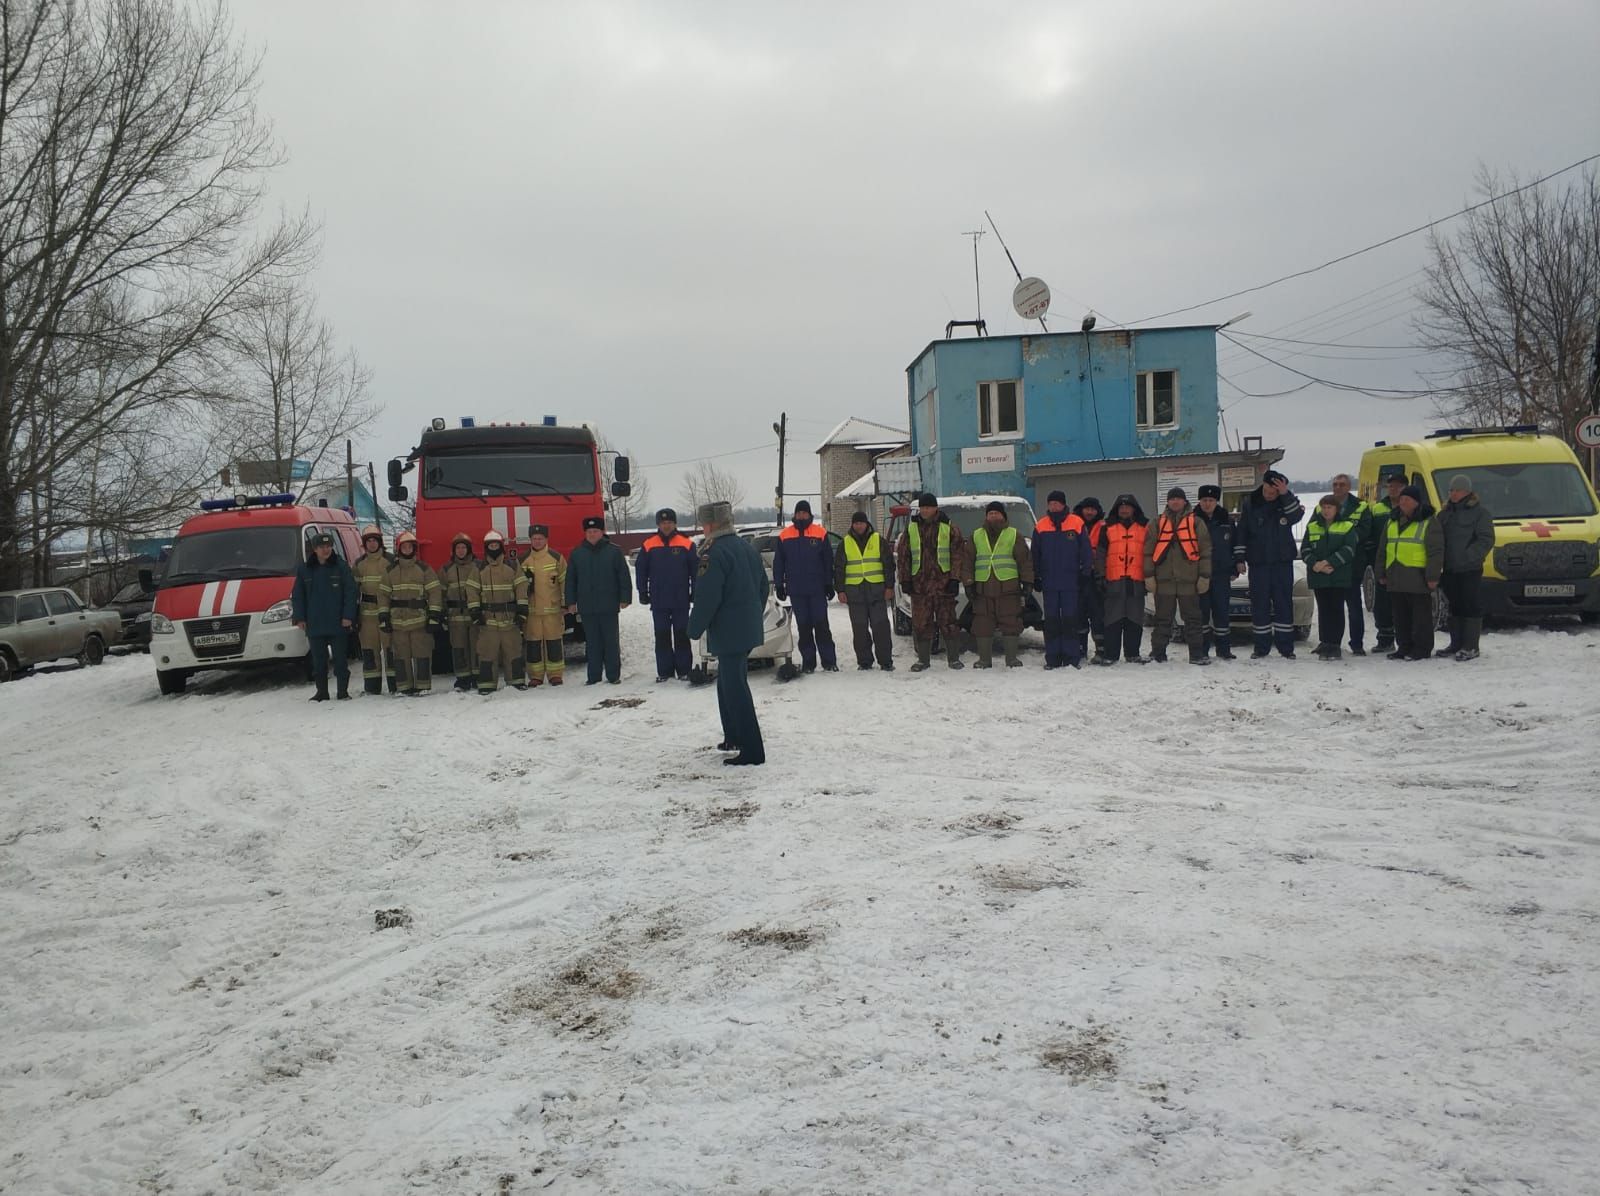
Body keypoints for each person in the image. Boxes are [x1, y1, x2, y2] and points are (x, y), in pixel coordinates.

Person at [688, 500, 768, 766]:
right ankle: (733, 735)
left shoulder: (714, 553)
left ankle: (752, 750)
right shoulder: (746, 548)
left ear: (710, 524)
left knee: (735, 689)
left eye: (703, 522)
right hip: (746, 628)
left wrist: (694, 627)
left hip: (729, 631)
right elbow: (763, 587)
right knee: (727, 683)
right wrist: (752, 614)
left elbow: (707, 596)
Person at [1236, 469, 1304, 659]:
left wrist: (1285, 495)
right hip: (1259, 563)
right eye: (1268, 490)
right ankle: (1261, 647)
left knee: (1283, 604)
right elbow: (1242, 530)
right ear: (1263, 485)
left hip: (1282, 562)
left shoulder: (1286, 501)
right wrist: (1239, 558)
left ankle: (1286, 647)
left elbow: (1296, 517)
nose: (1270, 494)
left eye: (1274, 491)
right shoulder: (1251, 502)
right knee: (1260, 605)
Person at [895, 492, 967, 671]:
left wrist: (954, 579)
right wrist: (905, 579)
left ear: (936, 508)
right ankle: (923, 660)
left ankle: (953, 659)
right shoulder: (911, 529)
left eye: (928, 507)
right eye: (923, 507)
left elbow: (958, 555)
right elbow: (904, 556)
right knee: (921, 623)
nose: (925, 510)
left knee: (948, 622)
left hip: (943, 585)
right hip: (920, 586)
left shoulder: (949, 527)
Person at [1144, 487, 1213, 666]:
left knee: (1193, 619)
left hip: (1189, 580)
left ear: (1184, 502)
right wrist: (1149, 575)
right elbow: (1147, 552)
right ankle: (1158, 653)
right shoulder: (1156, 523)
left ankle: (1196, 654)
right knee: (1162, 619)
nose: (1175, 502)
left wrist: (1204, 576)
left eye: (1178, 499)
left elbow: (1205, 551)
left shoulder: (1196, 523)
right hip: (1164, 580)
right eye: (1172, 499)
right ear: (1167, 502)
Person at [1375, 484, 1443, 661]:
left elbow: (1435, 551)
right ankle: (1404, 646)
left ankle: (1422, 648)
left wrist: (1433, 576)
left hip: (1417, 576)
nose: (1402, 502)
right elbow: (1383, 548)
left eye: (1406, 499)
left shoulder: (1428, 521)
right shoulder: (1392, 520)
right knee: (1400, 616)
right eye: (1401, 499)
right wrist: (1380, 572)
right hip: (1395, 575)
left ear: (1416, 502)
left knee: (1421, 617)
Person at [772, 499, 838, 673]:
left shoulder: (820, 533)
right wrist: (779, 584)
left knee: (822, 625)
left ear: (809, 514)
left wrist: (829, 584)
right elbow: (779, 562)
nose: (801, 515)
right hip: (797, 591)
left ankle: (829, 661)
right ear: (795, 514)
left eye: (804, 512)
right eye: (799, 512)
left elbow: (827, 562)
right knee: (804, 627)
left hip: (817, 590)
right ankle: (809, 662)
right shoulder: (785, 535)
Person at [565, 515, 632, 684]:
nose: (592, 534)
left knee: (610, 642)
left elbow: (623, 577)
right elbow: (571, 580)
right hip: (587, 606)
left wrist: (625, 598)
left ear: (602, 532)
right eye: (589, 531)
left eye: (595, 531)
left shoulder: (614, 552)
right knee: (593, 642)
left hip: (609, 605)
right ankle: (593, 676)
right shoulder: (577, 553)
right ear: (585, 533)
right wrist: (571, 602)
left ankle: (613, 675)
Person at [291, 532, 358, 701]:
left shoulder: (341, 567)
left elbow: (351, 592)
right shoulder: (304, 569)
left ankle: (343, 692)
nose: (326, 550)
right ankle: (322, 692)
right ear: (314, 549)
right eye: (322, 547)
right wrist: (299, 618)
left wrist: (348, 616)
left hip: (338, 623)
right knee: (319, 663)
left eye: (329, 546)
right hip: (315, 624)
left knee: (341, 662)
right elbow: (298, 595)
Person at [966, 500, 1033, 668]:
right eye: (990, 513)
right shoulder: (976, 535)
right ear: (986, 517)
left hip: (1008, 588)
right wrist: (968, 583)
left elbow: (1024, 561)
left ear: (1003, 516)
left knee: (1011, 622)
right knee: (982, 623)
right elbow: (967, 561)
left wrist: (1027, 582)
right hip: (983, 589)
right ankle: (984, 660)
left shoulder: (1013, 534)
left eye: (996, 513)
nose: (993, 516)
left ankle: (1011, 659)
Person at [1437, 473, 1496, 662]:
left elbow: (1486, 540)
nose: (1453, 494)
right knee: (1454, 606)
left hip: (1469, 569)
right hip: (1449, 569)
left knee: (1470, 606)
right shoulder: (1445, 513)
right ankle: (1456, 643)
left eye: (1457, 490)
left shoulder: (1480, 513)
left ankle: (1471, 646)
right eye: (1451, 490)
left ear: (1467, 492)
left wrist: (1468, 557)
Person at [1031, 490, 1092, 670]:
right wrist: (1036, 576)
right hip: (1050, 583)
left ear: (1064, 504)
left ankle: (1072, 657)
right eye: (1051, 503)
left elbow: (1086, 551)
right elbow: (1035, 554)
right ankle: (1053, 658)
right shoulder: (1041, 526)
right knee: (1051, 622)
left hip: (1071, 583)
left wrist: (1085, 573)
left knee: (1070, 620)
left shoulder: (1077, 522)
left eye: (1057, 503)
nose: (1054, 506)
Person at [636, 507, 696, 681]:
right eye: (663, 523)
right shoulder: (649, 545)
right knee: (661, 636)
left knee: (682, 635)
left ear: (675, 523)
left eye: (669, 522)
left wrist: (695, 591)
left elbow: (695, 571)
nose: (666, 525)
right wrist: (642, 591)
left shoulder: (686, 543)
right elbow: (641, 571)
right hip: (659, 599)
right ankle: (665, 672)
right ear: (658, 524)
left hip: (681, 599)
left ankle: (684, 670)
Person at [378, 530, 442, 695]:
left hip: (419, 620)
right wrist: (383, 616)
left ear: (414, 549)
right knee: (400, 656)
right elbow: (383, 594)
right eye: (404, 547)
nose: (407, 550)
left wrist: (434, 615)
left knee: (422, 653)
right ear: (399, 549)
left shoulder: (424, 569)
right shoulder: (390, 571)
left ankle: (423, 686)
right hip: (398, 621)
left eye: (410, 547)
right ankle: (404, 687)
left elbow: (435, 592)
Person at [1301, 494, 1361, 660]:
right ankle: (1325, 641)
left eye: (1330, 507)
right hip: (1319, 576)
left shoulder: (1347, 526)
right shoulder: (1313, 526)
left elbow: (1349, 549)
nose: (1326, 511)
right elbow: (1305, 548)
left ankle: (1334, 644)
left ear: (1337, 509)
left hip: (1338, 575)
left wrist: (1330, 563)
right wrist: (1315, 564)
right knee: (1324, 610)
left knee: (1336, 610)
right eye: (1324, 507)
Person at [833, 509, 895, 670]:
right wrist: (840, 590)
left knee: (881, 627)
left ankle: (886, 661)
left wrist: (889, 586)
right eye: (856, 523)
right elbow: (839, 569)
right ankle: (865, 661)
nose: (859, 526)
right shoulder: (845, 543)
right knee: (859, 630)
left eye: (861, 522)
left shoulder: (878, 540)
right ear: (852, 524)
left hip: (877, 591)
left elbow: (888, 565)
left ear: (867, 523)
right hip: (855, 594)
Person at [1094, 493, 1149, 665]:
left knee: (1134, 619)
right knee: (1112, 619)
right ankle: (1111, 654)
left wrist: (1150, 577)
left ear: (1134, 509)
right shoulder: (1107, 528)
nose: (1124, 510)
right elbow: (1100, 554)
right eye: (1121, 507)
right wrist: (1100, 576)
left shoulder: (1144, 527)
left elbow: (1151, 553)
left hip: (1136, 580)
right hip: (1113, 580)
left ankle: (1133, 653)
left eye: (1128, 506)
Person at [474, 529, 528, 692]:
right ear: (486, 547)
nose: (493, 547)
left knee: (513, 651)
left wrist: (522, 610)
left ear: (501, 546)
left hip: (509, 619)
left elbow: (521, 586)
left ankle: (517, 681)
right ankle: (486, 685)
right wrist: (475, 612)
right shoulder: (478, 567)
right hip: (488, 620)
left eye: (496, 544)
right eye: (490, 545)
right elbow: (471, 590)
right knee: (487, 653)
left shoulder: (512, 565)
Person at [1329, 473, 1373, 655]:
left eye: (1342, 484)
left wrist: (1341, 540)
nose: (1338, 487)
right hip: (1332, 565)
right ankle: (1331, 643)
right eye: (1335, 484)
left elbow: (1364, 531)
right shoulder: (1324, 505)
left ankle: (1357, 644)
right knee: (1333, 608)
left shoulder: (1361, 507)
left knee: (1354, 607)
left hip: (1353, 564)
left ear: (1348, 487)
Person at [1194, 484, 1238, 660]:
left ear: (1216, 501)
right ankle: (1203, 649)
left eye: (1211, 500)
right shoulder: (1192, 520)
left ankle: (1224, 650)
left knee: (1222, 612)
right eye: (1204, 500)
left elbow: (1234, 545)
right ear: (1199, 501)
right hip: (1200, 574)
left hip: (1221, 573)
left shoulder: (1226, 519)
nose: (1207, 504)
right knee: (1202, 614)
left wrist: (1235, 566)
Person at [351, 525, 397, 695]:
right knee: (370, 652)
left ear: (380, 542)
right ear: (365, 544)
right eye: (368, 541)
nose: (371, 544)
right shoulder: (359, 563)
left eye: (374, 540)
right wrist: (354, 615)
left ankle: (395, 686)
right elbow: (353, 591)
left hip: (388, 614)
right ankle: (372, 688)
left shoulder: (391, 561)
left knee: (391, 650)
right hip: (367, 615)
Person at [521, 523, 567, 687]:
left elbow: (564, 581)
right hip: (532, 611)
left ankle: (555, 674)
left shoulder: (556, 557)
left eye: (540, 538)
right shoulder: (523, 560)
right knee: (533, 644)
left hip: (552, 610)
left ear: (546, 539)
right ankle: (536, 676)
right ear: (530, 540)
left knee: (554, 642)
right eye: (534, 538)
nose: (538, 541)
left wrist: (564, 604)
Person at [1367, 473, 1407, 654]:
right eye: (1390, 486)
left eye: (1398, 486)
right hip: (1382, 563)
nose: (1393, 489)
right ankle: (1384, 640)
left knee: (1402, 605)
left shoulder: (1412, 508)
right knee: (1381, 605)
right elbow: (1370, 535)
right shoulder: (1377, 509)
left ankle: (1405, 641)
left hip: (1405, 565)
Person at [438, 531, 482, 691]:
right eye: (458, 548)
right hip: (455, 615)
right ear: (454, 550)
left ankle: (478, 677)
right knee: (459, 648)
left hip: (475, 615)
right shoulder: (446, 569)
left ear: (469, 549)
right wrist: (441, 612)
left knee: (477, 647)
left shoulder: (479, 566)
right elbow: (440, 593)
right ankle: (463, 679)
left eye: (464, 547)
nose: (461, 551)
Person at [1073, 496, 1108, 660]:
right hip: (1078, 575)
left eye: (1093, 509)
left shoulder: (1104, 527)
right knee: (1079, 613)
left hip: (1097, 576)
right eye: (1087, 508)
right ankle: (1080, 649)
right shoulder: (1072, 525)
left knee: (1098, 615)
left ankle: (1100, 649)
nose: (1089, 512)